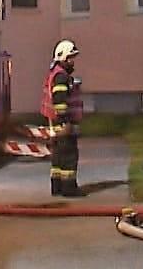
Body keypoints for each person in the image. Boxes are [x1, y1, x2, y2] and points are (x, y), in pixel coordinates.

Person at [43, 39, 85, 197]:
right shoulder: (61, 77)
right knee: (69, 156)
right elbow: (60, 102)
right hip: (64, 123)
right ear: (64, 58)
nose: (73, 62)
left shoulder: (57, 73)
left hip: (56, 123)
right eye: (71, 58)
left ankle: (57, 187)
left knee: (58, 157)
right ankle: (69, 189)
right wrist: (65, 122)